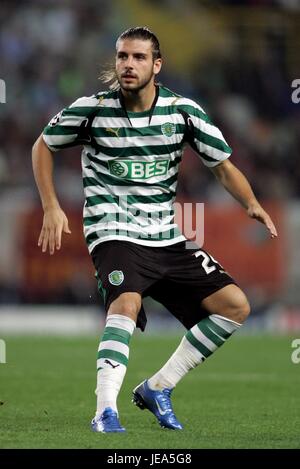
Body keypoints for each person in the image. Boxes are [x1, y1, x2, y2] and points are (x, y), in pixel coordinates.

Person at [32, 26, 277, 433]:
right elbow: (43, 145)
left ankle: (157, 387)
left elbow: (222, 165)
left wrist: (251, 203)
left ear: (156, 65)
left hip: (164, 235)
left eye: (139, 57)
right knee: (125, 304)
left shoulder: (182, 112)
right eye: (123, 56)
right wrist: (51, 206)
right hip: (112, 230)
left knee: (235, 307)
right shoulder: (92, 109)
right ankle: (105, 410)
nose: (129, 64)